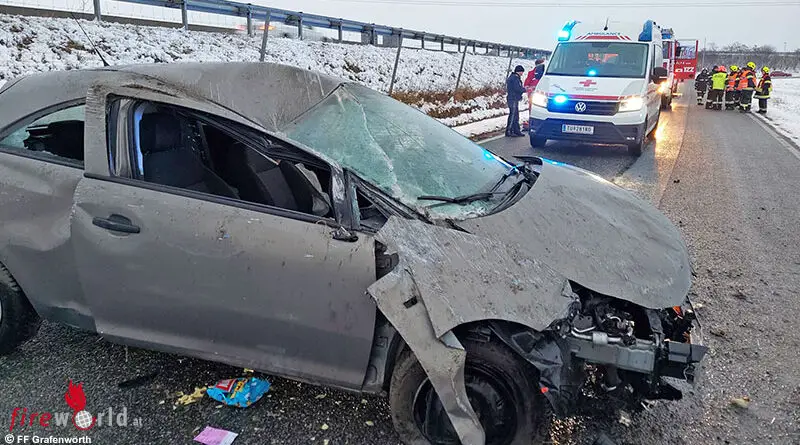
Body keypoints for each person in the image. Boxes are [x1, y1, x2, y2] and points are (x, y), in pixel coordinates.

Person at [506, 65, 526, 137]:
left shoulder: (513, 77)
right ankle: (509, 131)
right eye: (522, 72)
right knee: (513, 115)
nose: (522, 74)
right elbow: (517, 88)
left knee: (515, 115)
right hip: (513, 98)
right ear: (519, 71)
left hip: (512, 98)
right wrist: (525, 89)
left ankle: (516, 130)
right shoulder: (515, 78)